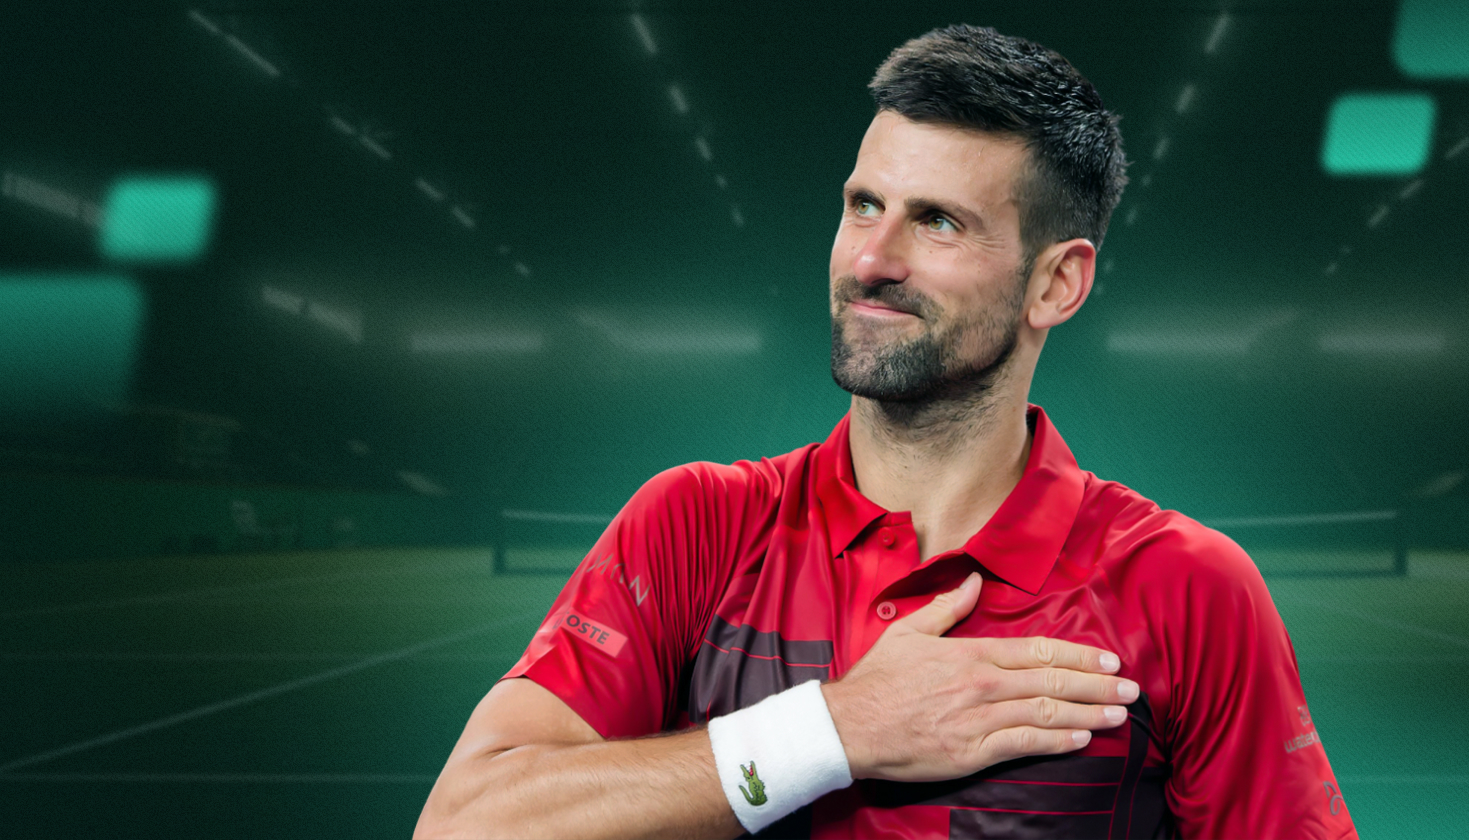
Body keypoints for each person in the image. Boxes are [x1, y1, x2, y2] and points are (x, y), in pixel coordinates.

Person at [415, 24, 1357, 840]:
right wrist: (836, 730)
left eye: (937, 222)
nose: (871, 259)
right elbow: (464, 822)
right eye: (863, 205)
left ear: (1057, 283)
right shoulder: (695, 525)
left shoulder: (1187, 588)